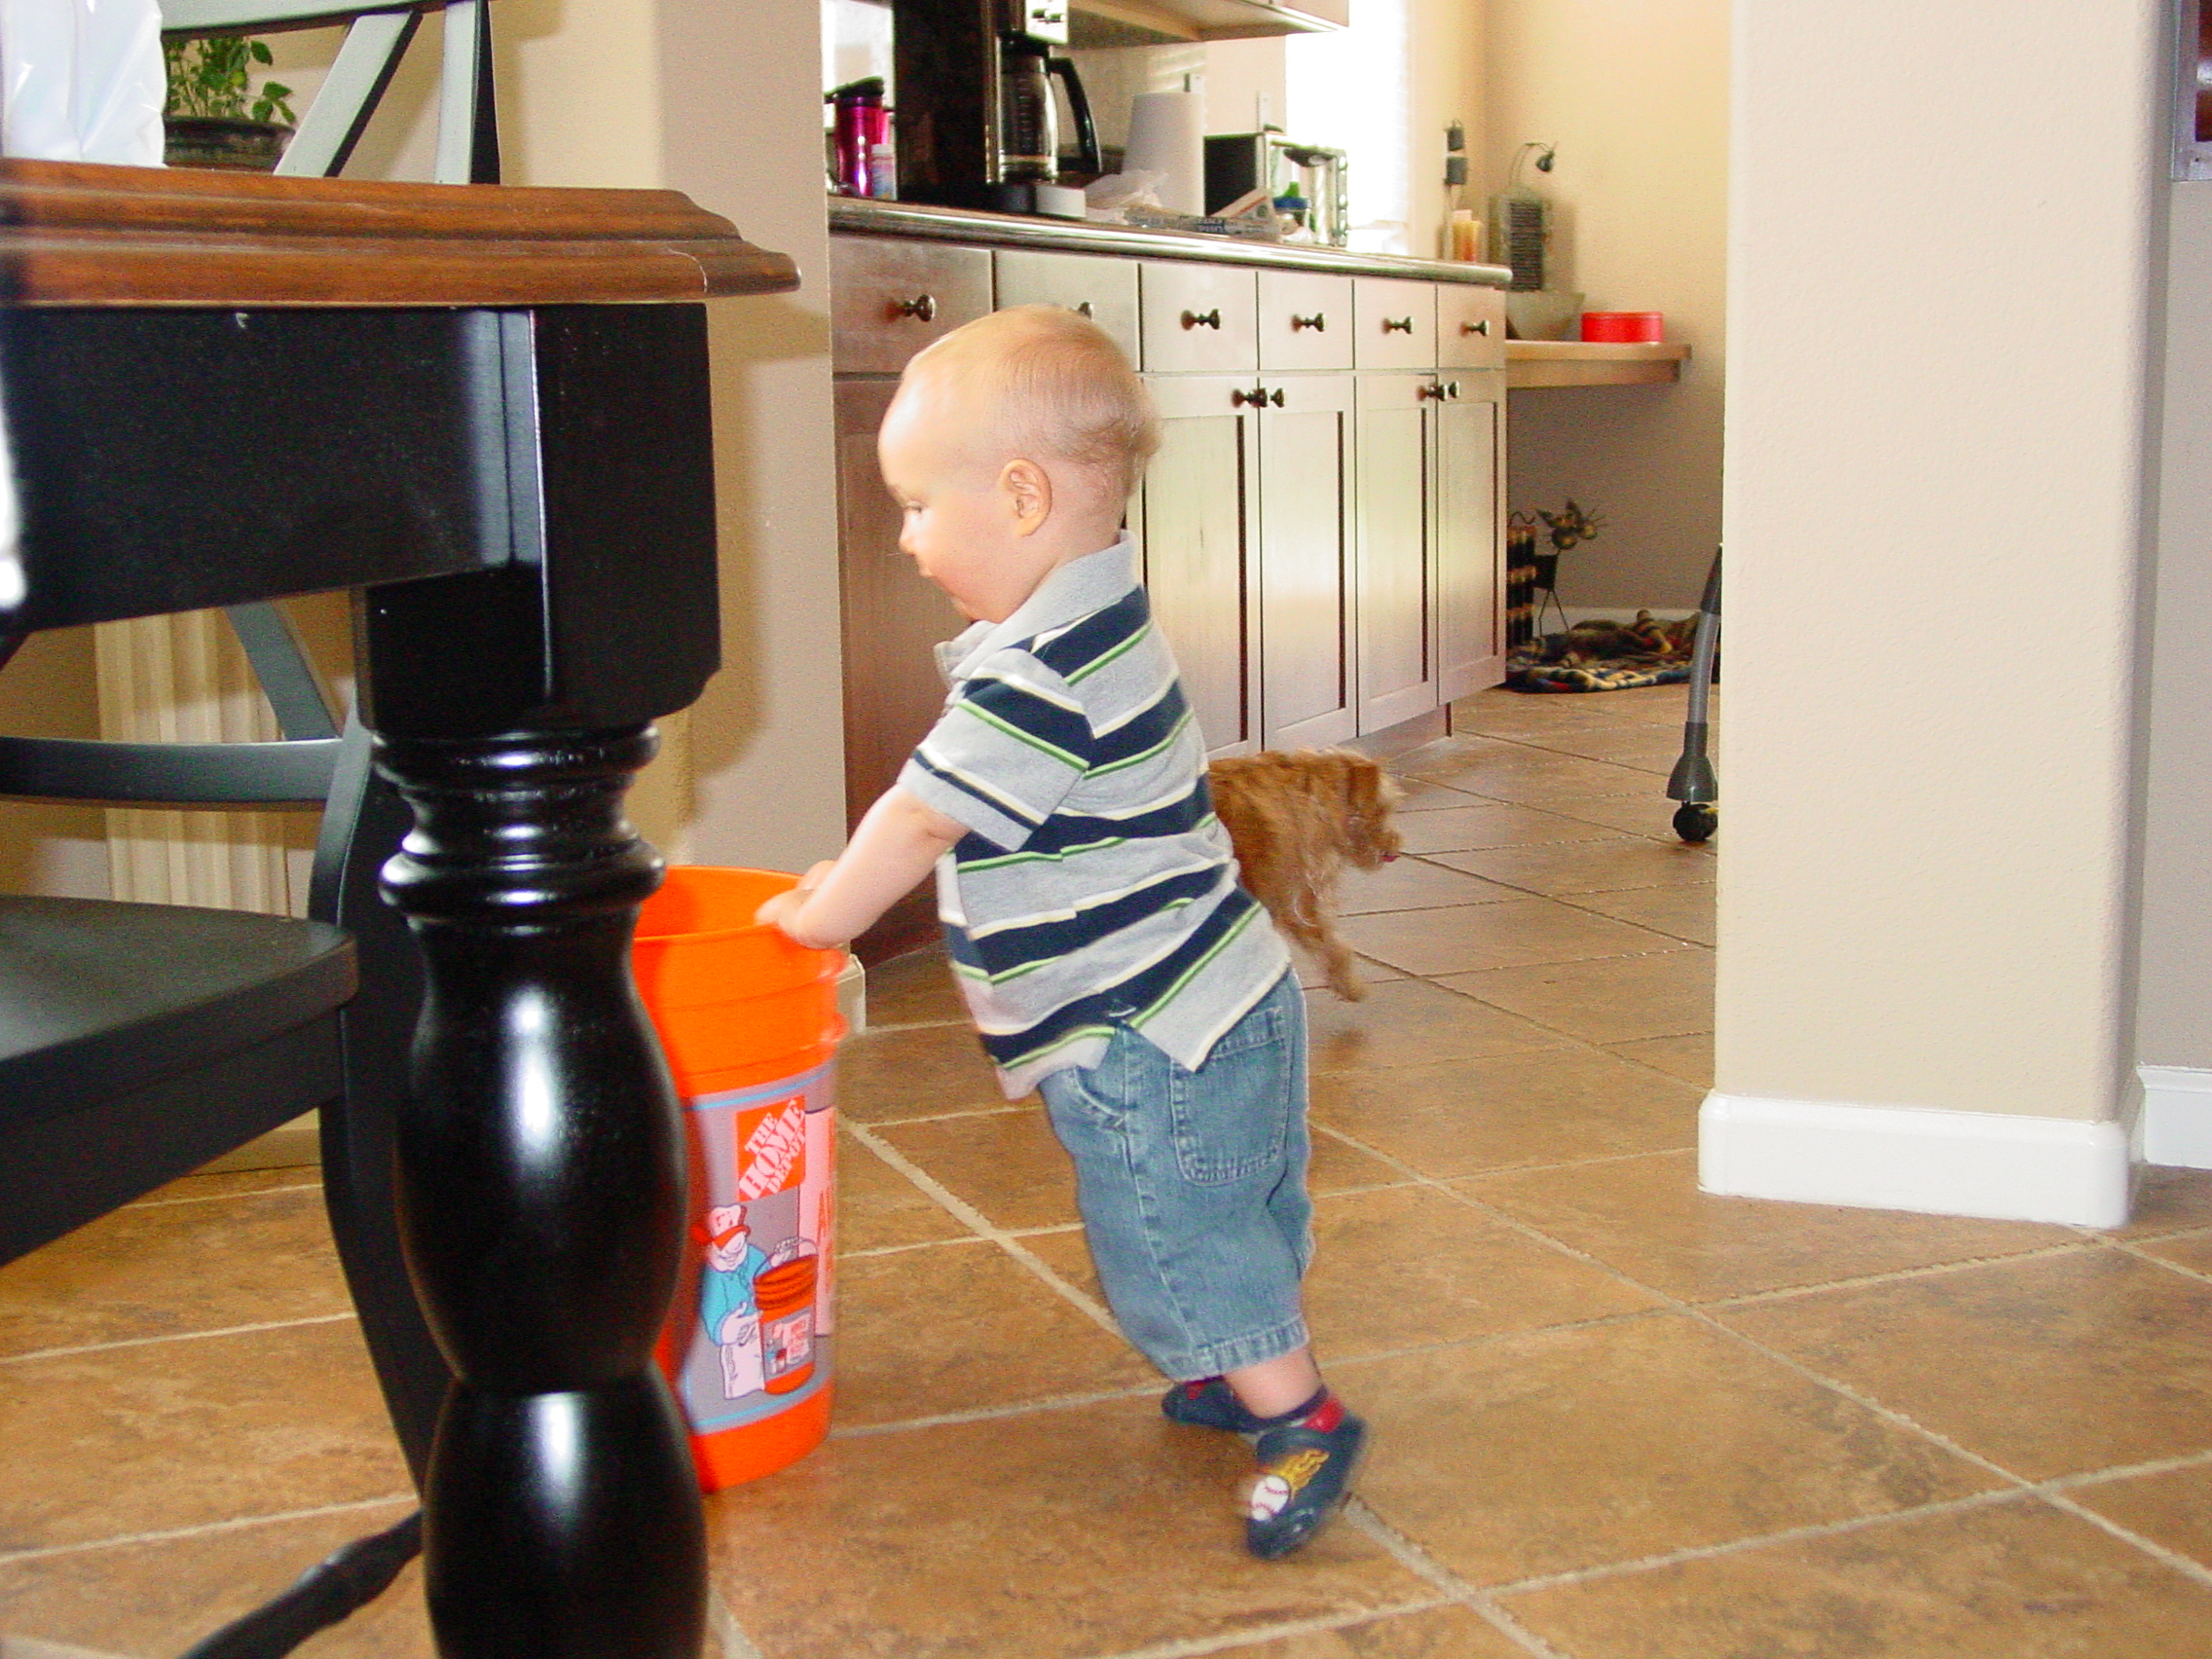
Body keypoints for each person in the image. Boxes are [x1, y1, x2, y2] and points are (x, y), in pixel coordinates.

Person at [756, 304, 1364, 1560]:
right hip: (1207, 994)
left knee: (1171, 1222)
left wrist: (825, 915)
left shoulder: (1039, 673)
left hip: (1152, 1029)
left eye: (920, 505)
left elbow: (923, 820)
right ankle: (1230, 1361)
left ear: (1022, 497)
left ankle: (1299, 1414)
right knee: (1228, 1203)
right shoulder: (1094, 620)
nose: (910, 541)